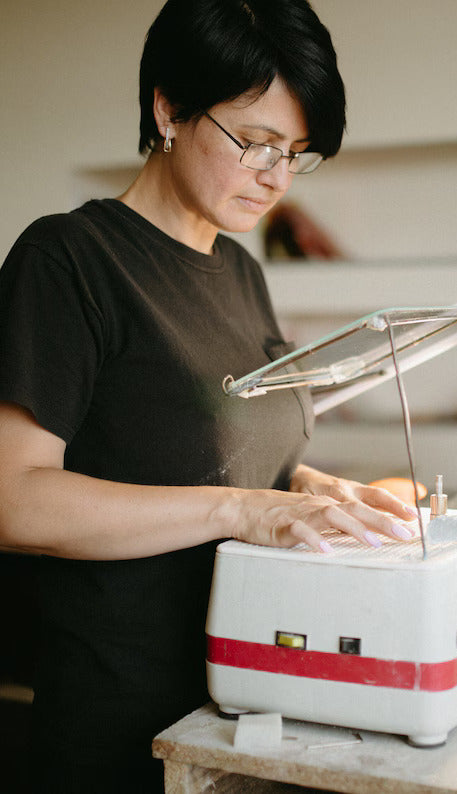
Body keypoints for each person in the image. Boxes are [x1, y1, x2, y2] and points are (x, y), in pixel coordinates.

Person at [0, 1, 417, 791]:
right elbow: (13, 499)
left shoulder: (242, 274)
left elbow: (240, 456)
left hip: (253, 704)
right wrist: (244, 512)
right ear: (168, 107)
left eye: (296, 153)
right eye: (256, 143)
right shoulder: (69, 262)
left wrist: (312, 491)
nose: (278, 177)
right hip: (125, 727)